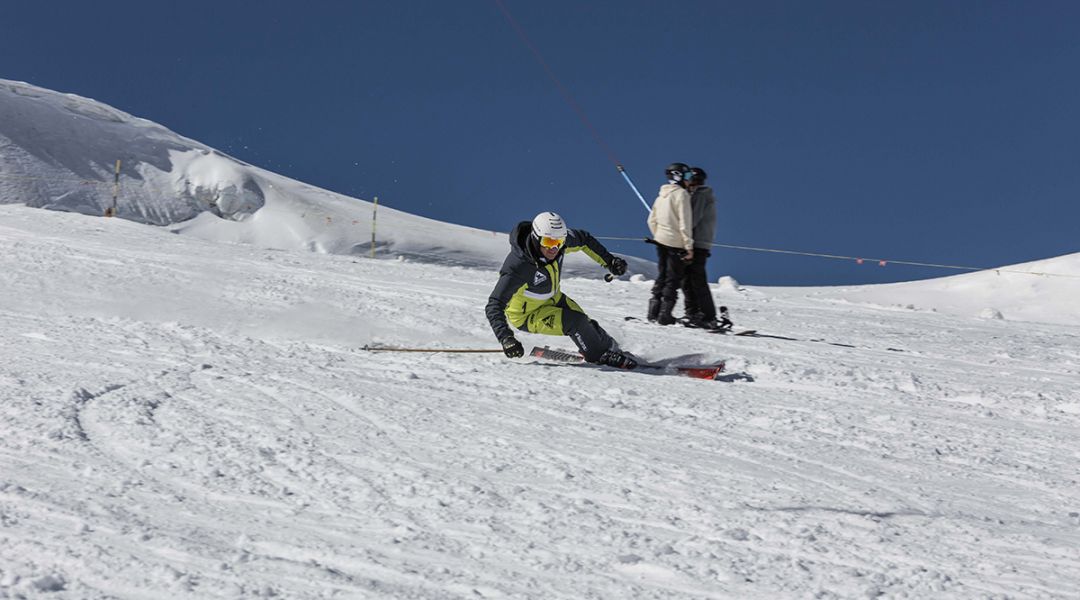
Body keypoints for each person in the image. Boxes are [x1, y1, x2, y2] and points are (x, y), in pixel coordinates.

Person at [486, 211, 636, 369]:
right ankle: (598, 356)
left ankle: (607, 348)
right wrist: (506, 339)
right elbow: (494, 304)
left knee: (586, 324)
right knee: (575, 322)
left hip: (553, 298)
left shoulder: (558, 243)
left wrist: (610, 261)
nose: (555, 248)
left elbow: (584, 239)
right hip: (527, 315)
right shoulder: (518, 267)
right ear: (536, 238)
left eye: (559, 242)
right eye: (549, 242)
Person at [646, 163, 695, 325]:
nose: (690, 181)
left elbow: (651, 220)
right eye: (687, 177)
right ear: (678, 176)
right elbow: (685, 223)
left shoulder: (661, 195)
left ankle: (653, 312)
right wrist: (688, 247)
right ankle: (664, 314)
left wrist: (659, 235)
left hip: (661, 240)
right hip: (676, 243)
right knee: (672, 278)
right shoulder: (682, 195)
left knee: (662, 275)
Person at [680, 166, 721, 329]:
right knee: (688, 279)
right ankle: (694, 313)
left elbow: (692, 219)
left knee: (695, 279)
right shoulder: (700, 194)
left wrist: (678, 233)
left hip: (696, 244)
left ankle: (706, 315)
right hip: (697, 242)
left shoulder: (700, 195)